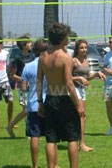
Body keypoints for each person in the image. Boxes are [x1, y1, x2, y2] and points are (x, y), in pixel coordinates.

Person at [37, 23, 84, 168]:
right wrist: (78, 104)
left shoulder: (43, 56)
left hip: (49, 99)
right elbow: (69, 84)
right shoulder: (65, 58)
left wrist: (40, 102)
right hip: (64, 99)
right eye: (67, 36)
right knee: (72, 137)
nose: (69, 38)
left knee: (51, 139)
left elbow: (39, 81)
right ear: (62, 38)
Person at [22, 39, 59, 168]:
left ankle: (35, 165)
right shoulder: (51, 65)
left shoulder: (28, 66)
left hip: (33, 104)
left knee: (34, 136)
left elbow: (23, 87)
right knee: (52, 137)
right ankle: (54, 164)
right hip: (49, 103)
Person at [72, 39, 106, 151]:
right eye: (81, 47)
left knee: (82, 117)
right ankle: (80, 144)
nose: (84, 50)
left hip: (82, 90)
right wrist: (79, 78)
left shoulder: (86, 61)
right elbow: (66, 77)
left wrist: (96, 73)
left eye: (85, 47)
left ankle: (80, 143)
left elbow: (87, 77)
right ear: (77, 49)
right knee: (80, 116)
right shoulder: (73, 61)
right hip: (74, 89)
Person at [7, 35, 34, 137]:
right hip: (23, 87)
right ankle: (11, 126)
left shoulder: (32, 56)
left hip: (33, 87)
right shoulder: (17, 58)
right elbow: (12, 75)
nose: (31, 44)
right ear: (24, 45)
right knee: (26, 111)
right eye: (29, 42)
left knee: (31, 110)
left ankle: (30, 133)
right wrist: (23, 80)